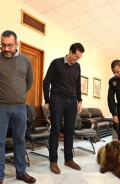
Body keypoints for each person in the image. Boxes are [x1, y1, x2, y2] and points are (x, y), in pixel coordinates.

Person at [0, 30, 36, 184]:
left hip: (20, 107)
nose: (6, 48)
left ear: (16, 44)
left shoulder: (25, 61)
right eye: (3, 45)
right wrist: (2, 95)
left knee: (20, 140)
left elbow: (29, 83)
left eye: (10, 45)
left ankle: (21, 172)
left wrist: (17, 95)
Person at [43, 43, 85, 174]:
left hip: (72, 100)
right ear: (70, 52)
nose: (76, 59)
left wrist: (79, 100)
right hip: (57, 99)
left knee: (69, 130)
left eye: (79, 58)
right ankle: (53, 161)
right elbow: (46, 82)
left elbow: (78, 85)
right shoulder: (56, 63)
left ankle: (68, 159)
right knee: (55, 130)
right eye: (75, 56)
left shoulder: (77, 66)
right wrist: (47, 100)